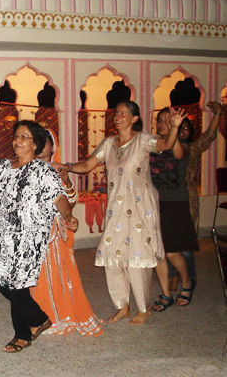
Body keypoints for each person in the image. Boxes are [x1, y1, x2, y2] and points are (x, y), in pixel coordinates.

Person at [56, 101, 185, 325]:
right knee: (112, 258)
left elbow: (166, 144)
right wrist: (67, 166)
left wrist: (174, 127)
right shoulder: (108, 143)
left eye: (124, 114)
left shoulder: (144, 141)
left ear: (134, 119)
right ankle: (122, 306)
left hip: (141, 208)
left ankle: (144, 309)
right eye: (117, 113)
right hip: (116, 208)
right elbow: (88, 165)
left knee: (137, 257)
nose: (118, 117)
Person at [0, 121, 79, 353]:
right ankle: (39, 318)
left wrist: (68, 217)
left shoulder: (43, 171)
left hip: (31, 235)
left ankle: (22, 334)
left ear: (36, 144)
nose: (18, 141)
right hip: (6, 235)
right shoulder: (2, 167)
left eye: (25, 137)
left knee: (17, 286)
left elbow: (58, 197)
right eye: (17, 136)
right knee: (1, 282)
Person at [31, 128, 103, 336]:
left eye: (44, 140)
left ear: (52, 147)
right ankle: (37, 314)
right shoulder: (27, 168)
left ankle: (58, 314)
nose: (39, 143)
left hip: (53, 228)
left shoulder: (57, 168)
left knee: (55, 270)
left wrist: (68, 181)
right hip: (32, 228)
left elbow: (70, 201)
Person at [167, 100, 224, 292]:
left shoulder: (192, 149)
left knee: (185, 245)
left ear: (190, 132)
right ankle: (173, 277)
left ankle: (188, 280)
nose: (182, 130)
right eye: (179, 127)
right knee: (168, 242)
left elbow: (209, 136)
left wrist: (217, 115)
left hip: (187, 200)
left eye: (185, 128)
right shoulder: (165, 148)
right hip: (167, 200)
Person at [150, 108, 199, 311]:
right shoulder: (152, 144)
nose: (162, 124)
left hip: (175, 203)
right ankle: (166, 294)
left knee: (172, 252)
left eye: (166, 121)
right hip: (153, 203)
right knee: (158, 253)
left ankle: (186, 284)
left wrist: (175, 128)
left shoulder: (182, 145)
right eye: (159, 121)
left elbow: (178, 154)